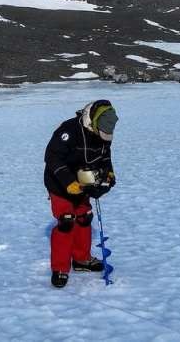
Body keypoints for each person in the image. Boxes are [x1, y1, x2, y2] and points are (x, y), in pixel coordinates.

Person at [44, 99, 118, 288]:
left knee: (84, 218)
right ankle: (60, 268)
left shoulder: (103, 133)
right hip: (60, 183)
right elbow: (52, 157)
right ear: (93, 122)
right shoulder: (70, 130)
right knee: (66, 221)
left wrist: (107, 176)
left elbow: (105, 158)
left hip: (83, 181)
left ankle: (81, 260)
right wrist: (69, 183)